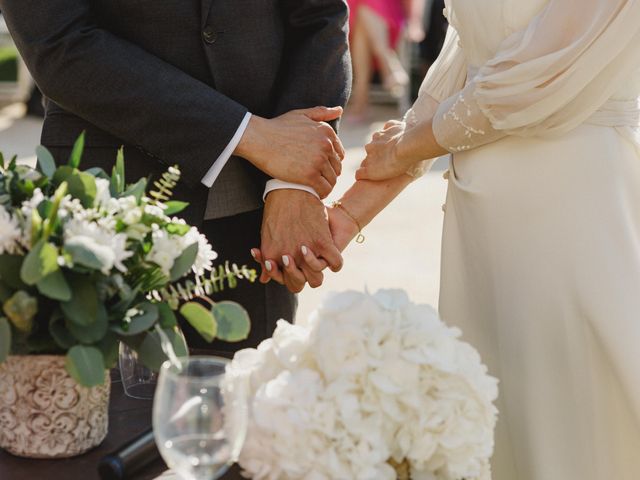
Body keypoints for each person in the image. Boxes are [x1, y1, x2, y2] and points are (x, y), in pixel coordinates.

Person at [258, 0, 640, 477]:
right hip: (480, 225)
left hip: (572, 211)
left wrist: (401, 149)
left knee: (570, 423)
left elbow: (532, 78)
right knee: (493, 419)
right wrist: (351, 215)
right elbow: (467, 64)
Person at [0, 0, 351, 359]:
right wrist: (250, 136)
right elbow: (58, 43)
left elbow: (319, 16)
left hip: (259, 224)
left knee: (247, 410)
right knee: (104, 412)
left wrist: (292, 181)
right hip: (103, 219)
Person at [346, 0, 412, 121]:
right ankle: (389, 64)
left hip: (388, 17)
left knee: (363, 11)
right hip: (357, 19)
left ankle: (360, 100)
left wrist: (416, 21)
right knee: (361, 15)